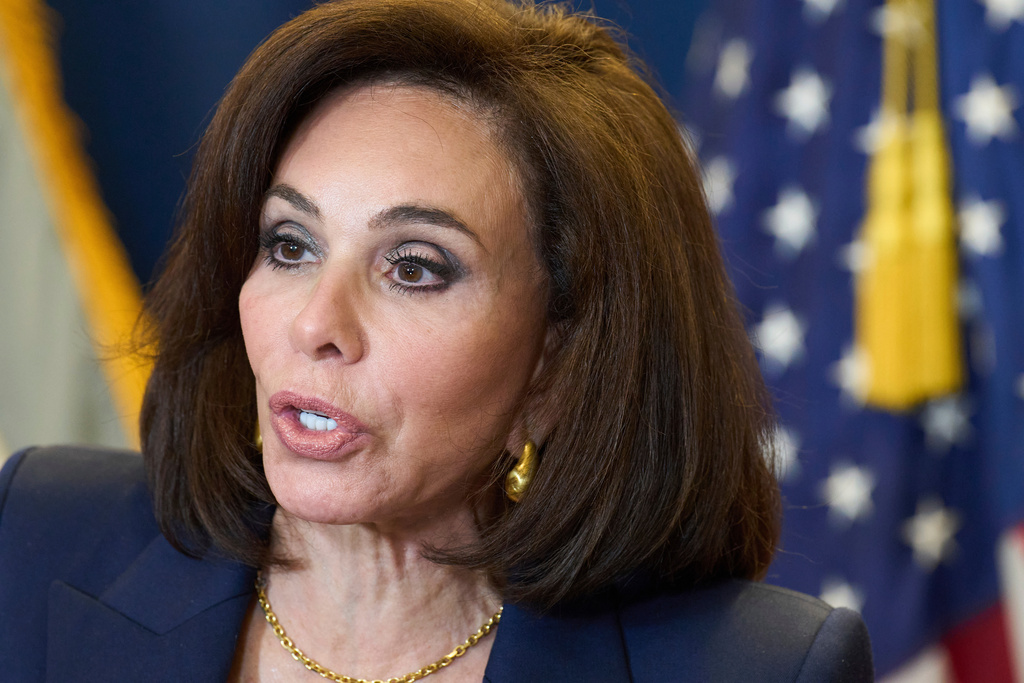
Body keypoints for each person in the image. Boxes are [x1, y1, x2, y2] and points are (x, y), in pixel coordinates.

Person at [0, 0, 874, 680]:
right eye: (290, 245)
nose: (315, 323)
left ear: (560, 361)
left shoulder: (760, 668)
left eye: (414, 268)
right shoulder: (34, 538)